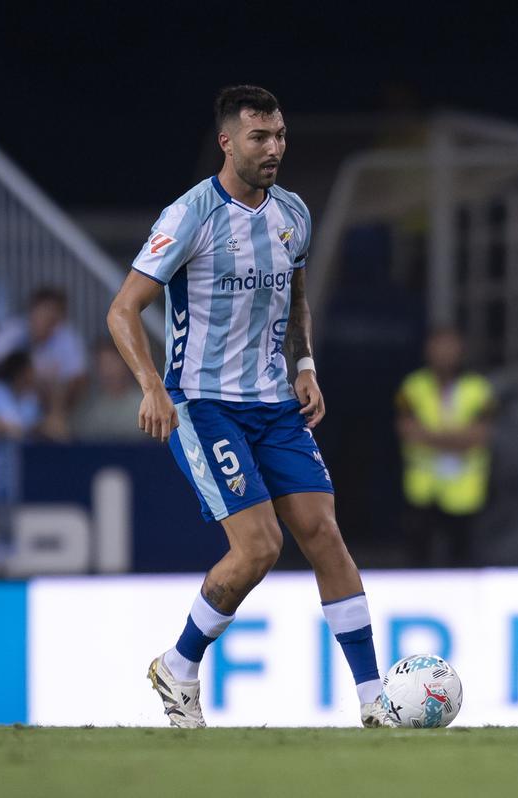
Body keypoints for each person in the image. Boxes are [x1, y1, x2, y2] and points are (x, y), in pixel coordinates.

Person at [107, 85, 393, 728]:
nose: (275, 149)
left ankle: (376, 703)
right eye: (260, 137)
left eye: (281, 136)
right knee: (259, 547)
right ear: (227, 141)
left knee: (324, 533)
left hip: (274, 402)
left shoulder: (293, 212)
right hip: (204, 404)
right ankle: (178, 665)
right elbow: (122, 310)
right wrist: (151, 385)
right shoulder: (189, 216)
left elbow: (294, 297)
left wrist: (305, 365)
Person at [395, 327, 493, 566]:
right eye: (439, 347)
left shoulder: (479, 389)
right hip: (422, 491)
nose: (444, 353)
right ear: (429, 350)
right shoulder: (411, 387)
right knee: (418, 560)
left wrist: (430, 437)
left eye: (450, 347)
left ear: (461, 350)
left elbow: (481, 436)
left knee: (465, 561)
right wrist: (457, 440)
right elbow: (407, 431)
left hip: (465, 493)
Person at [0, 286, 86, 417]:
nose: (48, 318)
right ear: (32, 310)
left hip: (48, 400)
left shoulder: (68, 338)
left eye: (55, 313)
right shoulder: (10, 331)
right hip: (6, 392)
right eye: (44, 311)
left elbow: (77, 379)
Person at [72, 338, 148, 442]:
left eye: (111, 362)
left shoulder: (145, 404)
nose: (107, 370)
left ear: (126, 364)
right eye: (101, 364)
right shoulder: (90, 408)